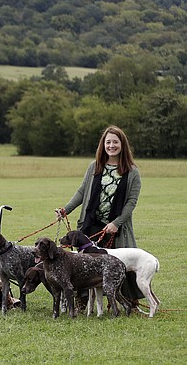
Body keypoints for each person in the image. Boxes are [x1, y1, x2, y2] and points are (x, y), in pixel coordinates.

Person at [55, 125, 143, 302]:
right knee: (85, 263)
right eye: (108, 142)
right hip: (91, 223)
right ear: (103, 145)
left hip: (115, 228)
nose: (111, 145)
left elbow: (131, 202)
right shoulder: (94, 166)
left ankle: (127, 300)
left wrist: (116, 223)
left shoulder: (133, 172)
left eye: (115, 142)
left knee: (119, 263)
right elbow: (82, 192)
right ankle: (82, 300)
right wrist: (65, 210)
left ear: (122, 145)